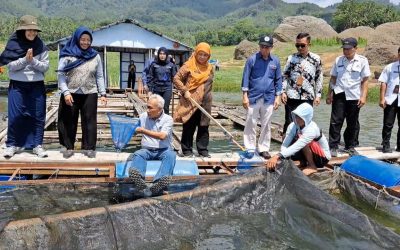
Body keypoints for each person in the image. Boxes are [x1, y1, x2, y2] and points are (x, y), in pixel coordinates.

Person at [0, 15, 49, 158]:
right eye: (29, 30)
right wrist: (24, 60)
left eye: (34, 30)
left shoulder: (41, 46)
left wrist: (33, 61)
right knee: (15, 115)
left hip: (36, 85)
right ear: (22, 30)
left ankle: (37, 145)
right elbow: (11, 66)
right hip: (17, 85)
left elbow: (45, 67)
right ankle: (12, 145)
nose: (32, 33)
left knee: (38, 115)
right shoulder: (14, 45)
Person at [57, 26, 107, 159]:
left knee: (90, 121)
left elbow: (99, 76)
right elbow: (61, 75)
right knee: (69, 120)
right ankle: (68, 147)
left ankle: (89, 148)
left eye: (88, 40)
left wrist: (103, 93)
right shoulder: (67, 54)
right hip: (71, 92)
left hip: (90, 92)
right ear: (77, 39)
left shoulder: (95, 56)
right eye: (82, 39)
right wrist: (66, 92)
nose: (85, 42)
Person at [326, 37, 371, 157]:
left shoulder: (362, 61)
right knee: (336, 121)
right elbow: (333, 78)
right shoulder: (338, 60)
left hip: (354, 95)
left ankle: (350, 146)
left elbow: (365, 80)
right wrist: (329, 93)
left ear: (356, 48)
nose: (346, 51)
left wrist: (363, 96)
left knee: (352, 123)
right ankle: (333, 146)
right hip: (339, 93)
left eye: (348, 49)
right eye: (344, 49)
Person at [241, 35, 282, 159]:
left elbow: (278, 79)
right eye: (262, 46)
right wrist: (244, 96)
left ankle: (264, 148)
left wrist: (278, 96)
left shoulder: (275, 61)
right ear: (259, 46)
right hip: (253, 96)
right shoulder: (252, 60)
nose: (264, 49)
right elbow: (246, 78)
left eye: (267, 47)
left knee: (266, 124)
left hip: (269, 97)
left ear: (271, 48)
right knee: (250, 122)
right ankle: (250, 147)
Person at [128, 94, 176, 195]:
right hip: (147, 150)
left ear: (159, 109)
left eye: (150, 108)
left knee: (171, 155)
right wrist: (132, 129)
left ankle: (159, 182)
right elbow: (133, 128)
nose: (147, 110)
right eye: (147, 107)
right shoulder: (143, 116)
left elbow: (162, 136)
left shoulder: (168, 119)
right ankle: (138, 178)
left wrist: (142, 130)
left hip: (163, 150)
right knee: (138, 154)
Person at [266, 103, 331, 176]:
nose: (297, 119)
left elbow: (298, 145)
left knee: (303, 141)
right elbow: (285, 144)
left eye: (300, 117)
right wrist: (282, 157)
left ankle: (312, 166)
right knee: (285, 136)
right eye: (296, 116)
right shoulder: (292, 126)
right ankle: (303, 161)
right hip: (308, 152)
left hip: (322, 158)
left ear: (307, 118)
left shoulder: (312, 129)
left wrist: (277, 156)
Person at [173, 42, 214, 157]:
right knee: (189, 125)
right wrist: (184, 90)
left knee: (204, 126)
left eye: (205, 55)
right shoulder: (188, 65)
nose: (202, 57)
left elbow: (209, 85)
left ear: (208, 56)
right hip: (190, 100)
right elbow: (176, 79)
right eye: (200, 54)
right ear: (196, 53)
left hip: (205, 101)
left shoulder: (210, 68)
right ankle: (187, 150)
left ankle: (203, 150)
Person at [281, 32, 323, 135]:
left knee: (306, 123)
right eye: (297, 45)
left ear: (309, 44)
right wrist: (283, 92)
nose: (299, 48)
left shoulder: (316, 59)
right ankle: (286, 148)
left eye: (302, 45)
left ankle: (303, 148)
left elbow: (319, 78)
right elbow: (285, 76)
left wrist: (318, 95)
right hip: (292, 95)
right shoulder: (291, 58)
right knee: (289, 122)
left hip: (307, 97)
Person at [378, 47, 400, 153]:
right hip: (391, 98)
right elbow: (383, 82)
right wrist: (382, 98)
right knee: (388, 123)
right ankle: (385, 145)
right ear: (398, 54)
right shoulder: (390, 67)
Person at [146, 47, 176, 114]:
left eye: (164, 54)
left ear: (166, 55)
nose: (162, 56)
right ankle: (156, 122)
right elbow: (150, 77)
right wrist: (150, 90)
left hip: (167, 89)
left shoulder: (171, 65)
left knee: (165, 107)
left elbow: (175, 77)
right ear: (158, 55)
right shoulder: (154, 64)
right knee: (156, 107)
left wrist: (178, 89)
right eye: (160, 54)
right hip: (157, 89)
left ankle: (165, 123)